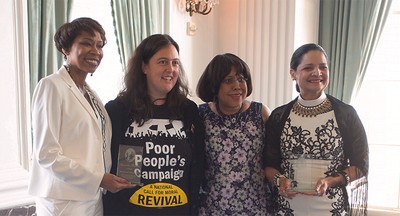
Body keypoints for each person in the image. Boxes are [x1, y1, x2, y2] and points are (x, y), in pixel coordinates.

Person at [28, 17, 134, 216]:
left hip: (93, 198)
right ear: (66, 49)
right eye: (86, 43)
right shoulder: (51, 86)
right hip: (64, 202)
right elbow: (46, 154)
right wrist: (99, 179)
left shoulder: (90, 93)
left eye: (100, 45)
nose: (95, 51)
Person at [102, 34, 205, 215]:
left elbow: (197, 165)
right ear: (144, 67)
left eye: (175, 63)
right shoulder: (118, 110)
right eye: (163, 62)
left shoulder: (188, 110)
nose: (170, 69)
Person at [263, 43, 369, 215]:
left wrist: (330, 181)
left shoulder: (346, 114)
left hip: (331, 209)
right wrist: (279, 180)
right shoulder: (278, 116)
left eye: (323, 67)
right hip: (288, 209)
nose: (317, 73)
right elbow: (268, 164)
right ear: (293, 73)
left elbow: (360, 165)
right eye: (308, 68)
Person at [196, 53, 272, 215]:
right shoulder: (201, 115)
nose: (237, 86)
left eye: (241, 79)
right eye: (228, 80)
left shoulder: (260, 113)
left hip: (256, 207)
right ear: (213, 86)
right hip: (213, 207)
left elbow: (275, 157)